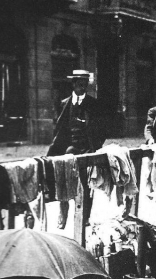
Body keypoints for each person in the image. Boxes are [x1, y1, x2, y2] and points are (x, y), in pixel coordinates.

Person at [47, 70, 107, 229]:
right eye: (79, 84)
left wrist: (96, 144)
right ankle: (63, 210)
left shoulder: (94, 104)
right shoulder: (64, 103)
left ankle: (85, 215)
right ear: (73, 84)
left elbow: (103, 128)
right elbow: (59, 127)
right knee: (62, 178)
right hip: (69, 147)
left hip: (87, 148)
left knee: (86, 183)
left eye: (85, 84)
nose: (83, 87)